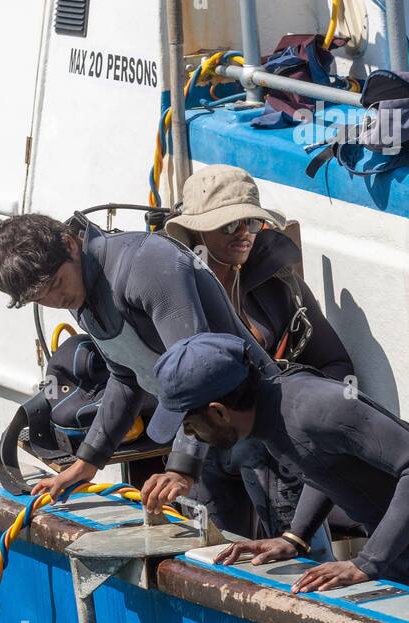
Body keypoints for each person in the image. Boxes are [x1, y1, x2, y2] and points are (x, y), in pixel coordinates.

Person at [0, 209, 278, 502]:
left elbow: (199, 373)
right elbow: (127, 376)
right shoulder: (80, 287)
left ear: (70, 244)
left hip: (263, 425)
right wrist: (87, 461)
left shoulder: (145, 263)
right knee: (216, 546)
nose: (56, 301)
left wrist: (181, 468)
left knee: (290, 544)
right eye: (39, 298)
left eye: (57, 284)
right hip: (206, 435)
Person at [144, 164, 356, 550]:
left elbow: (336, 362)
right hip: (202, 445)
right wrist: (180, 465)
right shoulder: (171, 291)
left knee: (298, 552)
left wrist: (317, 413)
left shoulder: (280, 284)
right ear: (195, 229)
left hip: (271, 442)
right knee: (215, 555)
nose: (242, 234)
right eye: (228, 225)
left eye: (251, 224)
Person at [145, 332, 409, 592]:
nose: (192, 435)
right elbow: (325, 466)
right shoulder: (272, 416)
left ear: (218, 412)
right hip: (402, 555)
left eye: (190, 425)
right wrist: (295, 537)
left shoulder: (315, 408)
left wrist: (367, 562)